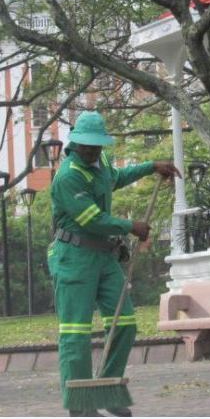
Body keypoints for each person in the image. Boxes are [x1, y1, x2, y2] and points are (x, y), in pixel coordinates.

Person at [48, 111, 181, 416]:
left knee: (125, 323)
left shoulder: (101, 163)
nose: (91, 151)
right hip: (74, 258)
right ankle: (81, 405)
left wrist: (151, 167)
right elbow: (93, 220)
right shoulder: (68, 176)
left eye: (95, 146)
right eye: (85, 146)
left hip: (104, 258)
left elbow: (116, 178)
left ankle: (108, 391)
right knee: (76, 333)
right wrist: (130, 226)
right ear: (75, 144)